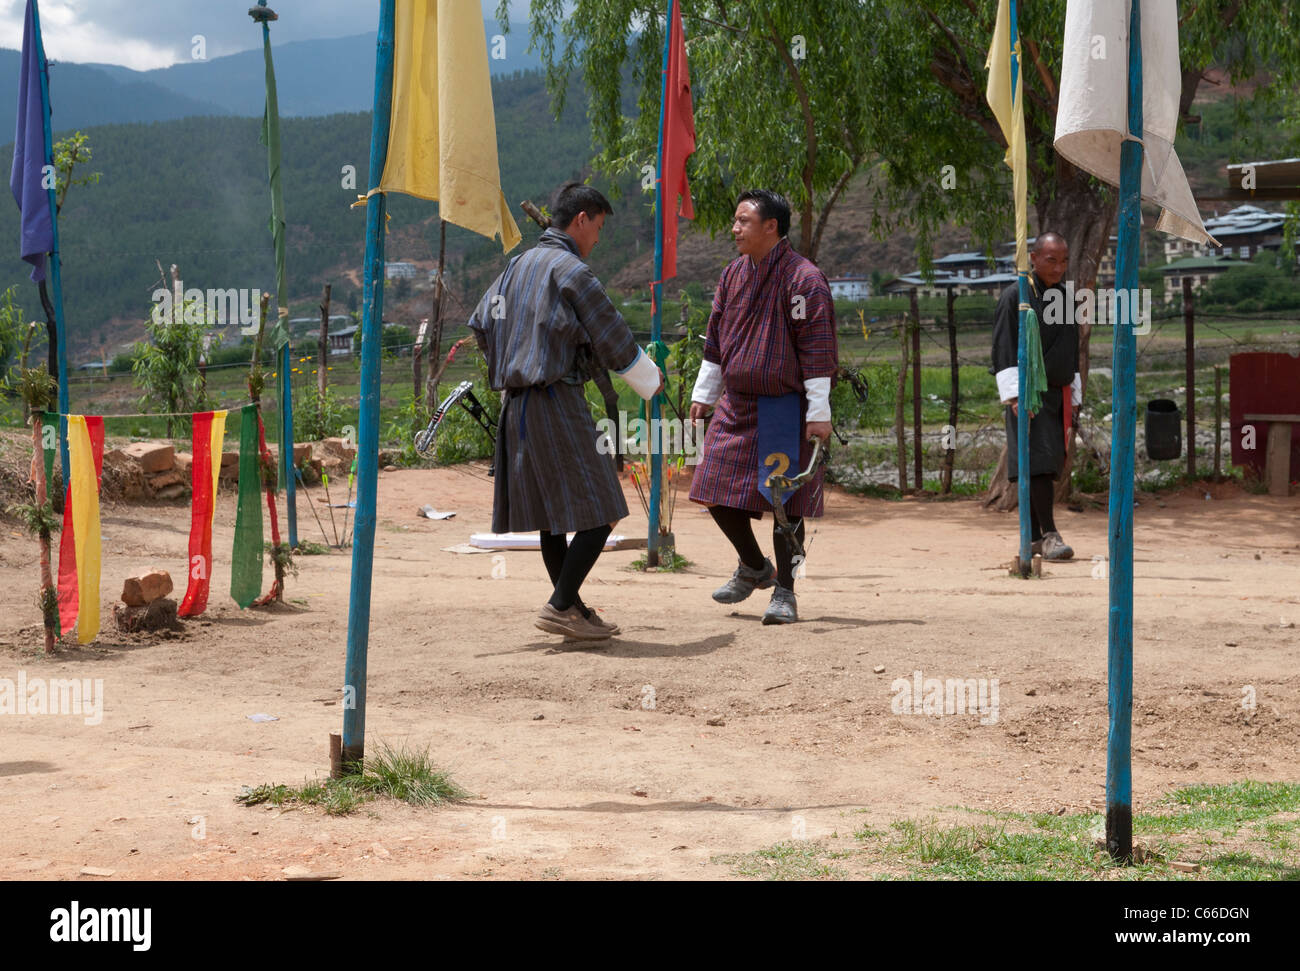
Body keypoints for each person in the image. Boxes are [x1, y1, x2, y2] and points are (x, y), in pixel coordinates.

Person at [468, 183, 663, 641]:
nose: (597, 239)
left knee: (550, 516)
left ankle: (572, 608)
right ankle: (559, 604)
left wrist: (513, 361)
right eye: (597, 228)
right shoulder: (571, 270)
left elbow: (481, 324)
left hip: (515, 405)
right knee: (604, 508)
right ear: (581, 220)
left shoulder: (516, 267)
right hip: (555, 400)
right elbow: (613, 335)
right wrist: (648, 381)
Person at [687, 190, 838, 624]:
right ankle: (754, 566)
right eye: (735, 221)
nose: (734, 229)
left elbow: (818, 350)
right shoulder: (732, 275)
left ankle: (786, 594)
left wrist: (818, 413)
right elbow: (715, 341)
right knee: (712, 488)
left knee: (783, 503)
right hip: (735, 404)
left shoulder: (803, 280)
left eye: (743, 221)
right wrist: (704, 395)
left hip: (784, 407)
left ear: (771, 226)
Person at [991, 231, 1081, 561]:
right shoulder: (1016, 296)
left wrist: (1076, 393)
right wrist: (1015, 397)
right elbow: (1004, 348)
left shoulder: (1066, 298)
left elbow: (1072, 349)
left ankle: (1032, 537)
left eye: (1063, 261)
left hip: (1059, 393)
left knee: (1047, 465)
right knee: (1037, 464)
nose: (1058, 268)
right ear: (1034, 257)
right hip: (1029, 395)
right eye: (1050, 260)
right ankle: (1049, 535)